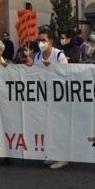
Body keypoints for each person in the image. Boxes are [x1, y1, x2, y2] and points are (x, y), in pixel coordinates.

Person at [32, 27, 69, 170]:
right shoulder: (37, 57)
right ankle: (52, 154)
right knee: (47, 126)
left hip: (58, 97)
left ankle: (63, 157)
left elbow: (66, 74)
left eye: (43, 40)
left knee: (58, 126)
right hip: (43, 96)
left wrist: (52, 66)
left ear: (51, 41)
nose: (41, 43)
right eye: (39, 40)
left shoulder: (59, 55)